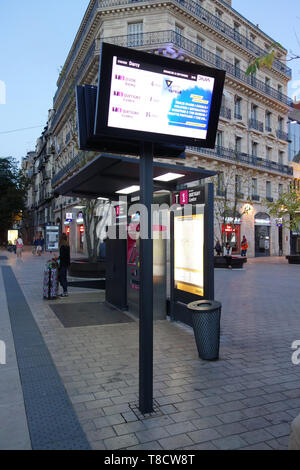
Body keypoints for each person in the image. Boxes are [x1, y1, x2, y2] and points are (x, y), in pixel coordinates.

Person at [58, 233, 70, 297]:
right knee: (64, 277)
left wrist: (58, 258)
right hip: (66, 264)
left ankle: (65, 292)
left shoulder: (62, 246)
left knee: (61, 277)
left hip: (63, 264)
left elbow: (62, 256)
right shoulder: (67, 245)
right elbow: (67, 256)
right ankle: (65, 291)